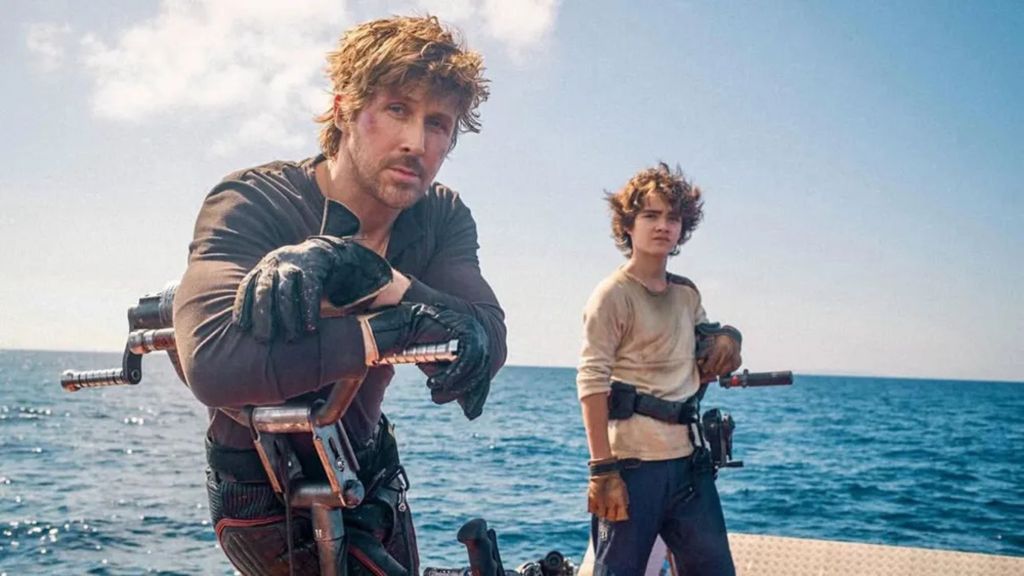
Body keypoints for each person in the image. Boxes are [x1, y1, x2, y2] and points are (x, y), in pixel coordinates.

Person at [172, 15, 506, 576]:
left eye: (438, 124)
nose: (416, 142)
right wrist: (382, 331)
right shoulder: (254, 200)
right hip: (264, 488)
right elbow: (213, 363)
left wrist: (379, 280)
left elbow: (485, 341)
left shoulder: (440, 217)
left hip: (368, 470)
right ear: (344, 108)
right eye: (396, 108)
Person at [576, 163, 742, 576]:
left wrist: (729, 339)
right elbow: (591, 382)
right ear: (628, 225)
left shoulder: (687, 294)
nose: (663, 225)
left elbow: (706, 343)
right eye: (650, 215)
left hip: (690, 466)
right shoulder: (611, 295)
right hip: (632, 467)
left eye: (672, 217)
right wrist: (602, 469)